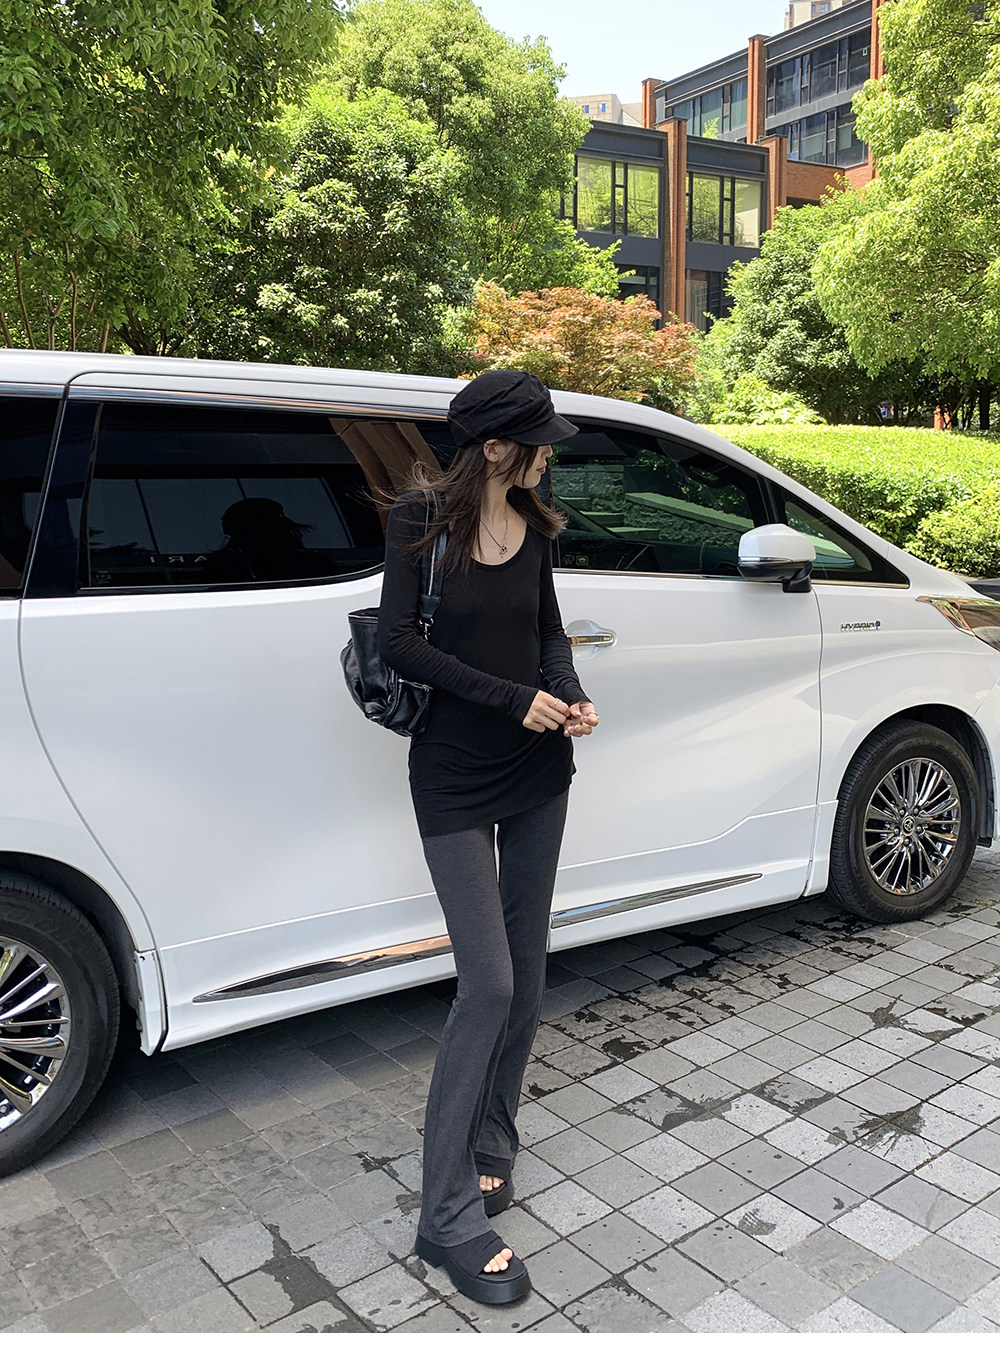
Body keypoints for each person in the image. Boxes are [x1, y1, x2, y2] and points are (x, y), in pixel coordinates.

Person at [376, 370, 599, 1307]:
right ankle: (445, 1217)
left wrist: (568, 693)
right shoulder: (422, 521)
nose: (550, 452)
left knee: (529, 970)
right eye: (538, 439)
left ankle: (493, 1142)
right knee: (490, 983)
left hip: (540, 770)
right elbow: (400, 643)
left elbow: (548, 631)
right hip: (455, 773)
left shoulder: (535, 524)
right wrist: (516, 700)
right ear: (499, 445)